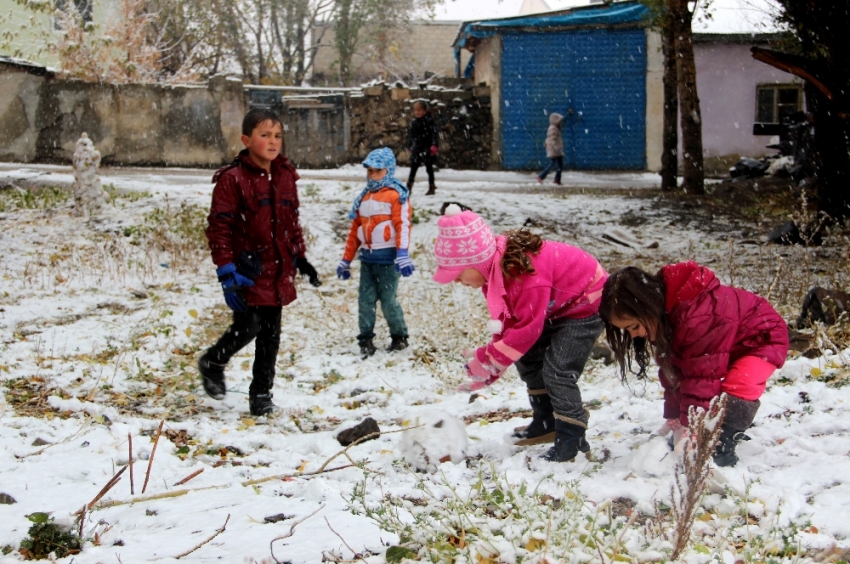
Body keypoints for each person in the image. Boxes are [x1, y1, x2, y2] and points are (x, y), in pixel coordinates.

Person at [432, 204, 608, 462]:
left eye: (457, 274)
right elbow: (510, 323)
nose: (457, 281)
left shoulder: (525, 277)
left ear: (477, 262)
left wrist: (491, 356)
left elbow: (527, 331)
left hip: (586, 304)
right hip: (556, 308)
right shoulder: (496, 273)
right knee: (529, 356)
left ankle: (573, 438)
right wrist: (494, 359)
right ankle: (546, 421)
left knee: (558, 371)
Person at [599, 262, 789, 467]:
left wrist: (693, 425)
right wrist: (676, 416)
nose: (634, 334)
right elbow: (676, 374)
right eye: (627, 331)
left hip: (762, 340)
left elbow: (702, 377)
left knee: (739, 384)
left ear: (648, 307)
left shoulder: (698, 318)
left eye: (634, 326)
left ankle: (722, 441)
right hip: (728, 344)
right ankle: (709, 432)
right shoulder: (667, 320)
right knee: (700, 385)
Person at [199, 108, 322, 417]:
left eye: (277, 136)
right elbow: (220, 227)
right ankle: (213, 361)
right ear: (246, 139)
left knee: (270, 335)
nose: (272, 142)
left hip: (278, 268)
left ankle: (261, 394)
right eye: (264, 135)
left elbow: (291, 222)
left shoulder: (285, 176)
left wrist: (301, 257)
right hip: (248, 270)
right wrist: (226, 271)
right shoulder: (233, 179)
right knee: (249, 325)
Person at [337, 147, 415, 358]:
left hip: (389, 261)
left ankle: (399, 336)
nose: (372, 175)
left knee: (388, 300)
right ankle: (365, 339)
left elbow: (403, 225)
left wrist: (403, 253)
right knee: (365, 300)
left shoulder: (397, 196)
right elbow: (355, 232)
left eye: (377, 171)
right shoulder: (363, 199)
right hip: (368, 260)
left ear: (388, 171)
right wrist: (346, 260)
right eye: (369, 171)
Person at [407, 100, 439, 196]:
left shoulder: (429, 122)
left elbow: (434, 134)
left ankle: (431, 186)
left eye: (419, 110)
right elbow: (411, 136)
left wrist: (434, 145)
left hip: (427, 148)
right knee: (413, 168)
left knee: (429, 168)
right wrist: (409, 145)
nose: (417, 112)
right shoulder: (414, 123)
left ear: (425, 111)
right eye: (415, 110)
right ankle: (409, 187)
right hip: (417, 148)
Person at [537, 113, 564, 185]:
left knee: (559, 165)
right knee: (553, 164)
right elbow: (552, 139)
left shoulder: (555, 128)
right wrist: (557, 148)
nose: (561, 123)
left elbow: (549, 138)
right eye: (560, 121)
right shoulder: (553, 128)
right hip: (554, 150)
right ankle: (541, 176)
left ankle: (557, 179)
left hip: (556, 149)